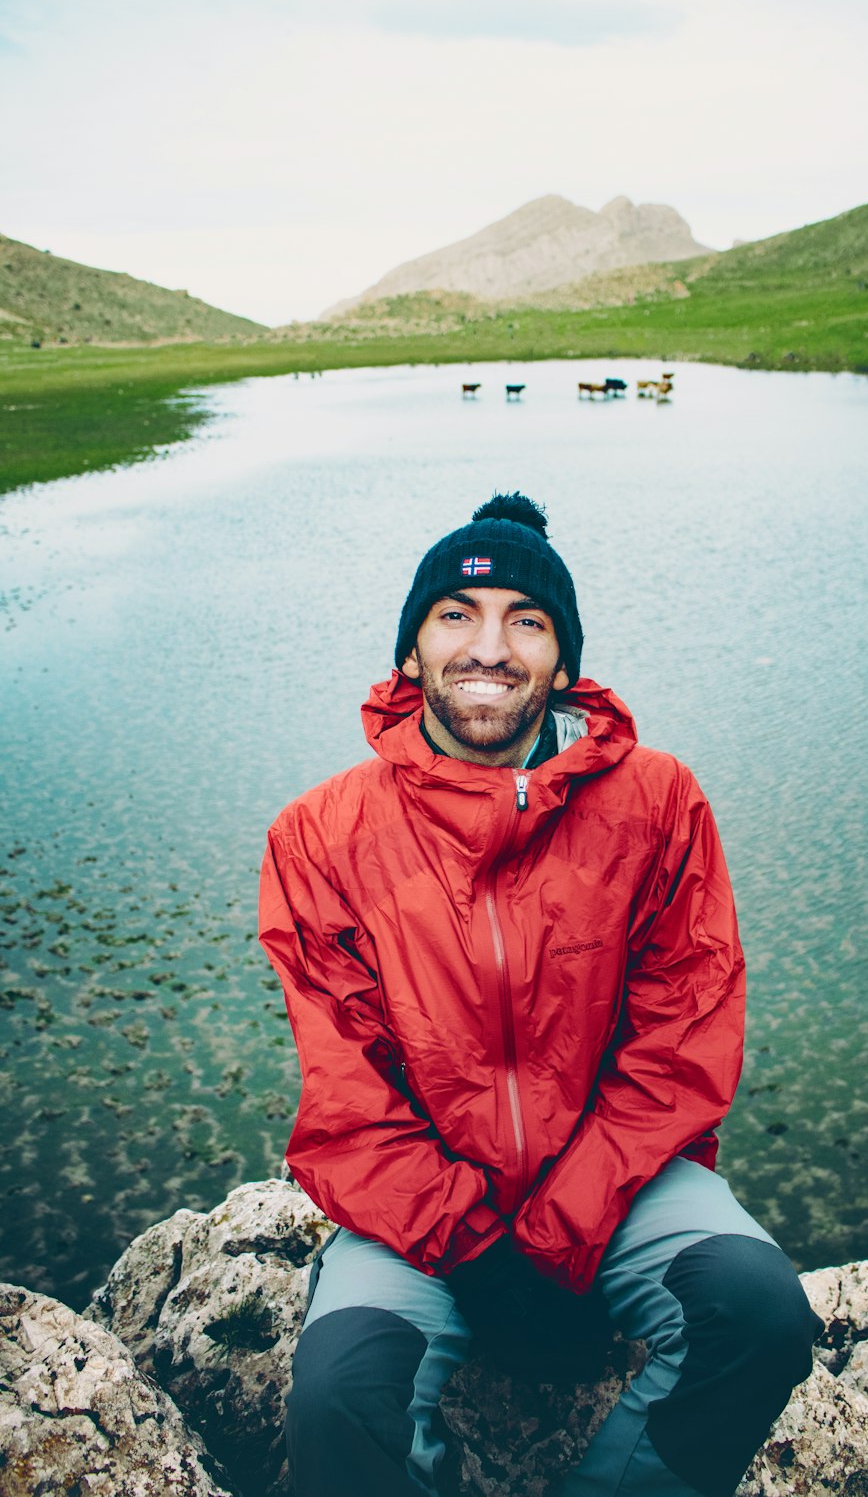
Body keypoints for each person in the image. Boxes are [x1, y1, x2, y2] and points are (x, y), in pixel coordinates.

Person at [258, 493, 821, 1497]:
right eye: (455, 616)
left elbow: (682, 1040)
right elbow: (346, 1086)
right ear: (410, 652)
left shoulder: (658, 803)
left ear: (561, 662)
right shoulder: (320, 834)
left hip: (623, 1183)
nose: (489, 646)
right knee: (336, 1402)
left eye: (527, 620)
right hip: (417, 1217)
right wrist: (475, 1247)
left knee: (759, 1314)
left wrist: (561, 1228)